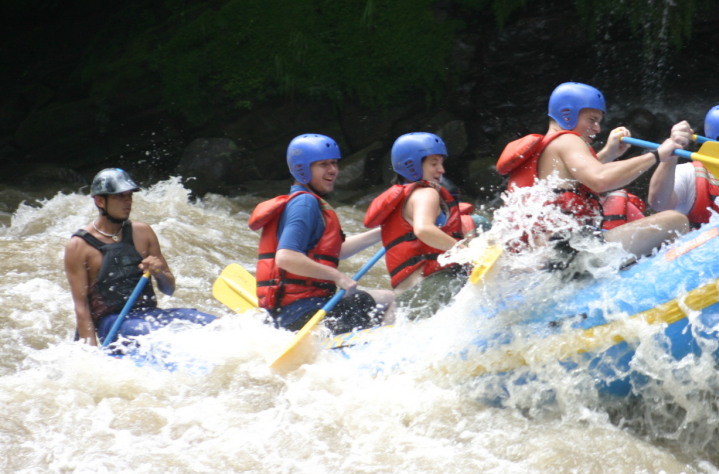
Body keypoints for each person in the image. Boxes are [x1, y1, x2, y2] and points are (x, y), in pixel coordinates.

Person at [496, 81, 691, 258]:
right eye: (592, 119)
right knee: (676, 220)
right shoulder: (567, 139)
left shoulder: (549, 147)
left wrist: (608, 153)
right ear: (567, 114)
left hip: (550, 253)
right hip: (570, 253)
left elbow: (575, 178)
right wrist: (658, 154)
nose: (597, 129)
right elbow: (600, 179)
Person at [248, 133, 395, 334]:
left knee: (377, 297)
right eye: (323, 164)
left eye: (334, 163)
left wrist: (383, 232)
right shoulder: (304, 203)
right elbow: (286, 257)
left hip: (292, 311)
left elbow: (337, 251)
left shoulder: (306, 202)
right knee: (389, 299)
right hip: (303, 313)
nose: (333, 170)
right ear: (302, 169)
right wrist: (338, 276)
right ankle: (376, 348)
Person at [63, 168, 217, 347]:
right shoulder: (79, 246)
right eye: (119, 196)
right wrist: (90, 356)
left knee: (214, 325)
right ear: (100, 201)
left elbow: (169, 289)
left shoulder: (143, 232)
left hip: (149, 314)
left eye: (129, 196)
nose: (127, 202)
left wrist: (159, 272)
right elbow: (82, 308)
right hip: (112, 323)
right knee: (158, 335)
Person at [363, 133, 477, 316]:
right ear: (412, 165)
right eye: (434, 163)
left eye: (441, 163)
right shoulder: (426, 193)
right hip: (432, 288)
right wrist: (467, 252)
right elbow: (423, 229)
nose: (441, 170)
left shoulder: (402, 199)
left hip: (409, 300)